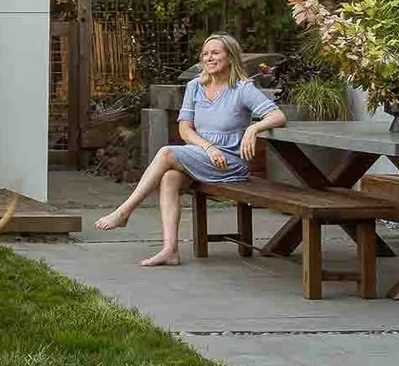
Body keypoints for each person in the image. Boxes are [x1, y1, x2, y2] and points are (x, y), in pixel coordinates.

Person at [94, 33, 285, 267]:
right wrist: (208, 147)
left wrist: (254, 128)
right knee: (170, 177)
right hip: (204, 155)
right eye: (205, 54)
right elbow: (185, 130)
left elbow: (277, 116)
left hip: (230, 163)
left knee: (166, 153)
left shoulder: (242, 88)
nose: (209, 58)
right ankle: (170, 250)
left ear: (230, 56)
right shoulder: (195, 86)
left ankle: (124, 212)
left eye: (215, 53)